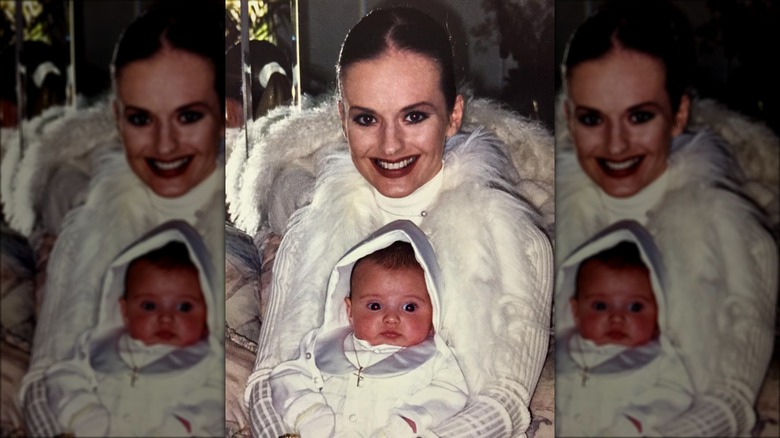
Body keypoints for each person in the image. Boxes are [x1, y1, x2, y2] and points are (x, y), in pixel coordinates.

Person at [245, 6, 553, 437]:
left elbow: (504, 401)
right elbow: (267, 381)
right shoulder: (309, 232)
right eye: (367, 119)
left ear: (454, 116)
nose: (390, 146)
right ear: (342, 119)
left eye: (414, 116)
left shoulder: (515, 242)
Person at [556, 1, 778, 435]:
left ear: (678, 115)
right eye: (592, 119)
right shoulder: (549, 218)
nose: (615, 145)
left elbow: (731, 397)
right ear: (569, 117)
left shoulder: (734, 235)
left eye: (639, 116)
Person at [19, 3, 225, 435]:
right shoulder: (86, 231)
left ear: (224, 113)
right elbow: (45, 382)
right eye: (140, 119)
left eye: (188, 116)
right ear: (117, 119)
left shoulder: (241, 226)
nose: (164, 145)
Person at [269, 220, 468, 437]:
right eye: (375, 306)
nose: (391, 318)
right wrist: (310, 414)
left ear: (433, 311)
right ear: (350, 311)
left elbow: (449, 394)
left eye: (409, 307)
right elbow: (287, 376)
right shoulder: (322, 346)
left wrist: (406, 424)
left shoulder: (436, 358)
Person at [44, 221, 222, 437]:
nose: (166, 317)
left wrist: (179, 425)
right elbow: (62, 376)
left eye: (184, 306)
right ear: (124, 310)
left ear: (208, 310)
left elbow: (212, 405)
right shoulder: (96, 346)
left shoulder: (209, 362)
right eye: (149, 306)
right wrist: (86, 416)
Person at [556, 221, 693, 437]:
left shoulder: (661, 361)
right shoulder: (559, 350)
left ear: (660, 310)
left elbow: (673, 396)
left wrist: (635, 422)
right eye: (600, 305)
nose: (617, 317)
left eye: (635, 307)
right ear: (575, 310)